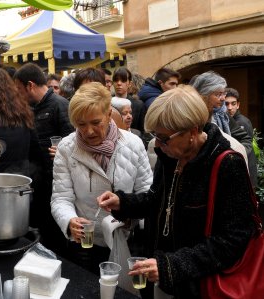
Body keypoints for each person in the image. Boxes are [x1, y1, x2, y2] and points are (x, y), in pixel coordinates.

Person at [97, 85, 257, 298]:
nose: (158, 144)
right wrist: (123, 203)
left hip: (202, 286)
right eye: (155, 136)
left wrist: (171, 266)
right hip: (163, 279)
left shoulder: (227, 163)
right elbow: (157, 199)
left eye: (164, 138)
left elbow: (233, 240)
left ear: (192, 131)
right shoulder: (171, 155)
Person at [51, 82, 152, 276]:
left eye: (96, 123)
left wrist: (130, 214)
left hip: (126, 240)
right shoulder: (66, 147)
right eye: (81, 124)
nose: (88, 131)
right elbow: (60, 197)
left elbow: (147, 193)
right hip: (86, 243)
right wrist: (69, 220)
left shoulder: (133, 143)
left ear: (108, 114)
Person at [13, 63, 74, 254]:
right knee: (44, 229)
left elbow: (74, 140)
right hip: (41, 180)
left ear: (30, 85)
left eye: (19, 89)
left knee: (56, 231)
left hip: (59, 182)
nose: (18, 94)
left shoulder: (60, 105)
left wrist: (64, 150)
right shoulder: (31, 108)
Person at [191, 71, 257, 188]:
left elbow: (245, 138)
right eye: (218, 94)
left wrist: (234, 156)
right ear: (204, 94)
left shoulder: (223, 115)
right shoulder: (191, 117)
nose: (222, 99)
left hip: (223, 175)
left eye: (223, 93)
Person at [113, 67, 145, 132]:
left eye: (123, 80)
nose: (119, 83)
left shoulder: (138, 105)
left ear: (129, 84)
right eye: (116, 80)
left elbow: (142, 130)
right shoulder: (107, 103)